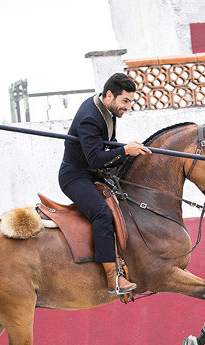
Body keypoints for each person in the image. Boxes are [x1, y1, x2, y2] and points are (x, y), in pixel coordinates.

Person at [58, 73, 150, 294]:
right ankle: (112, 279)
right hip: (76, 176)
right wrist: (124, 151)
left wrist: (129, 153)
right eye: (125, 101)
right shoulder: (90, 117)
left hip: (94, 172)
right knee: (102, 214)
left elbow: (108, 146)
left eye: (131, 101)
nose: (128, 107)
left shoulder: (107, 108)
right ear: (109, 95)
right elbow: (95, 158)